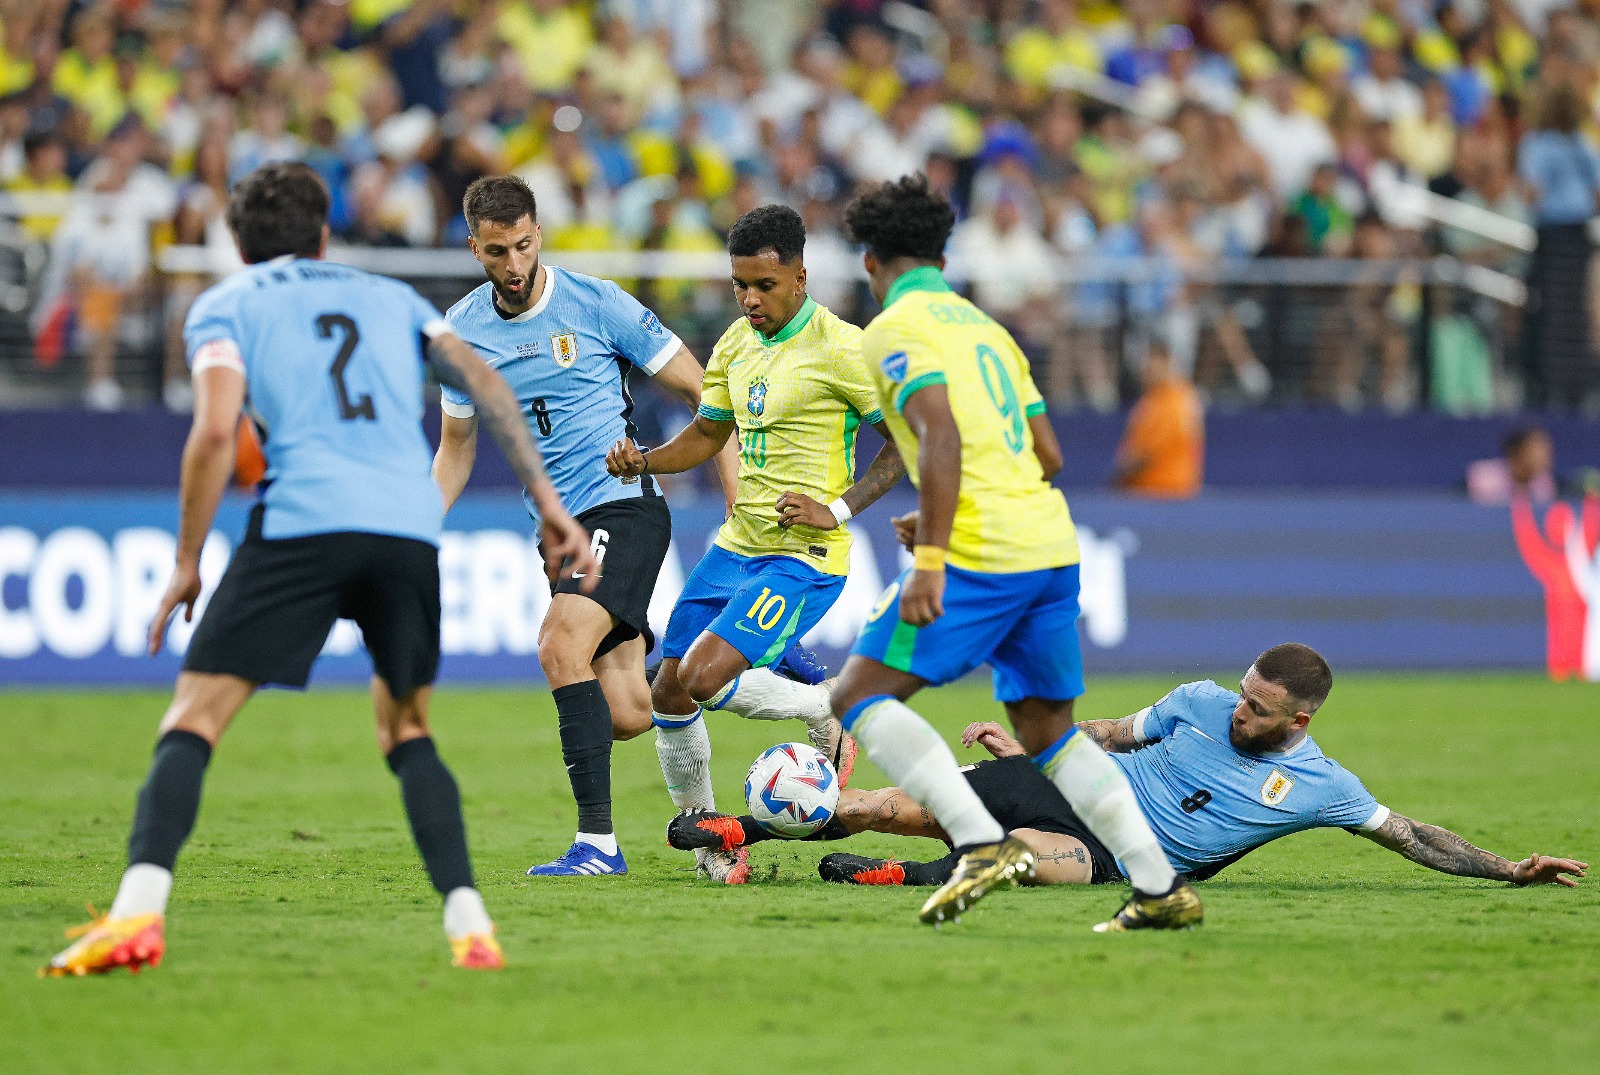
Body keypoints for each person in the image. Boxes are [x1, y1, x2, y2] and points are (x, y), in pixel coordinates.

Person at [42, 162, 597, 977]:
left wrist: (189, 559)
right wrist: (550, 504)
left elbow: (212, 434)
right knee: (407, 728)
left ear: (237, 244)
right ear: (325, 236)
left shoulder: (226, 305)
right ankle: (471, 926)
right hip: (407, 526)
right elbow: (485, 388)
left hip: (305, 520)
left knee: (194, 717)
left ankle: (135, 916)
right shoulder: (391, 299)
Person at [826, 174, 1201, 932]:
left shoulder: (893, 330)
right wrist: (950, 509)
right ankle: (1159, 888)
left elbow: (938, 433)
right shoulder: (986, 329)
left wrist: (933, 551)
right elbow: (1049, 452)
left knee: (855, 696)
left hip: (984, 551)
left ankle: (977, 842)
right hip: (1053, 543)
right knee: (1047, 733)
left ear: (871, 262)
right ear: (942, 251)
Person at [669, 644, 1586, 894]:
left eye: (1259, 709)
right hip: (1068, 783)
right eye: (1241, 693)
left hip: (1117, 851)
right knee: (885, 801)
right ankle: (738, 828)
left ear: (1298, 721)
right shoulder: (1194, 699)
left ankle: (891, 880)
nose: (1239, 710)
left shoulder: (1322, 787)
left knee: (1028, 860)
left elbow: (1411, 832)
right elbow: (1107, 731)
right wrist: (1029, 746)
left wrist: (1508, 867)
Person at [432, 174, 736, 878]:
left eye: (524, 245)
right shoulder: (460, 334)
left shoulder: (597, 304)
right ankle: (770, 689)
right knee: (628, 709)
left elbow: (704, 391)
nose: (514, 264)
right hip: (556, 532)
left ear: (540, 233)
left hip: (621, 502)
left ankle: (597, 844)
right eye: (497, 251)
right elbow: (455, 448)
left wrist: (733, 491)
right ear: (474, 247)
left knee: (558, 643)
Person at [605, 204, 906, 884]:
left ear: (800, 276)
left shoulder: (843, 348)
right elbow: (709, 437)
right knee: (668, 693)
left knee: (705, 677)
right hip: (737, 545)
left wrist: (838, 507)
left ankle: (824, 705)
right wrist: (645, 460)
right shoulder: (735, 345)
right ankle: (716, 847)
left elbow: (902, 446)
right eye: (740, 284)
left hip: (804, 558)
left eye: (764, 285)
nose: (749, 299)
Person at [1112, 341, 1204, 499]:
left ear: (1165, 360)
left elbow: (1147, 455)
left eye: (1149, 361)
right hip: (1153, 492)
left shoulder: (1172, 401)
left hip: (1163, 493)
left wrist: (1116, 480)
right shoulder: (1156, 398)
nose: (1143, 368)